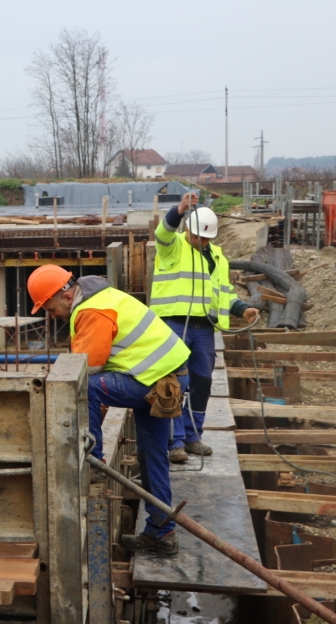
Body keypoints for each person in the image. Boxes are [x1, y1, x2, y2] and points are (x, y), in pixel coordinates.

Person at [28, 264, 189, 557]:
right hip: (165, 377)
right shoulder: (102, 295)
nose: (51, 316)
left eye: (50, 309)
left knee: (84, 386)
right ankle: (161, 533)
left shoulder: (91, 310)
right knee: (152, 456)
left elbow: (85, 369)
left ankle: (94, 461)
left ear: (65, 295)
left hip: (152, 379)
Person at [152, 192, 259, 463]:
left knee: (202, 381)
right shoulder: (172, 246)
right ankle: (173, 442)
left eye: (206, 239)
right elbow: (163, 231)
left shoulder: (218, 258)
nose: (201, 242)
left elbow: (223, 293)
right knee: (174, 382)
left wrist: (242, 309)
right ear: (188, 229)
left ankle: (192, 437)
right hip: (173, 324)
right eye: (197, 237)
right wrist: (179, 209)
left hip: (204, 328)